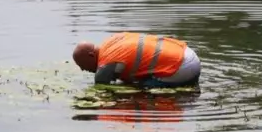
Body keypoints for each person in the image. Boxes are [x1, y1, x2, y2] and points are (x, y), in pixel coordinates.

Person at [72, 32, 201, 89]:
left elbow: (101, 89)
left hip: (182, 67)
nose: (83, 69)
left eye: (81, 65)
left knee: (139, 89)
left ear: (91, 55)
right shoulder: (113, 39)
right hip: (188, 53)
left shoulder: (105, 66)